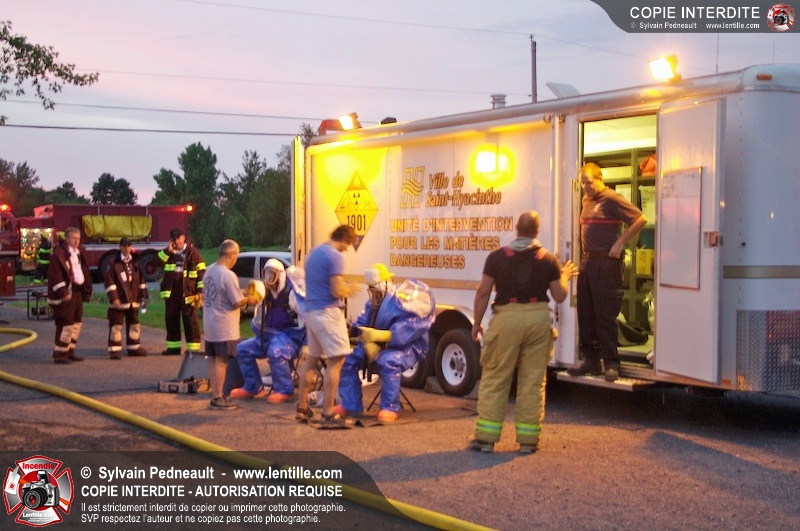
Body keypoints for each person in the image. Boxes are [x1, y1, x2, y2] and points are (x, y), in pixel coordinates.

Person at [469, 211, 577, 453]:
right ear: (536, 232)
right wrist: (564, 275)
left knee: (496, 377)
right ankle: (528, 441)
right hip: (538, 319)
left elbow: (483, 292)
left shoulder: (496, 257)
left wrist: (476, 324)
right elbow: (559, 296)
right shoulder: (548, 259)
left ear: (516, 229)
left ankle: (486, 439)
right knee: (532, 381)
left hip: (506, 319)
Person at [568, 162, 647, 382]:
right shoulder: (586, 199)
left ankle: (611, 364)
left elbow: (641, 219)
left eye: (589, 183)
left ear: (600, 178)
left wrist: (620, 243)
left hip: (606, 263)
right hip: (588, 261)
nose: (585, 187)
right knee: (585, 313)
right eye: (583, 183)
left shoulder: (612, 199)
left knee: (605, 315)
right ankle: (591, 361)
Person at [335, 263, 435, 424]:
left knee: (389, 360)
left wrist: (384, 339)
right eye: (371, 291)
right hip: (378, 345)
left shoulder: (402, 302)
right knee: (347, 359)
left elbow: (410, 328)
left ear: (385, 285)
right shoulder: (371, 304)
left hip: (405, 347)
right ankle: (350, 404)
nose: (373, 295)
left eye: (376, 291)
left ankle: (390, 407)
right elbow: (363, 323)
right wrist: (353, 330)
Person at [295, 224, 360, 428]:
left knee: (312, 359)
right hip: (328, 313)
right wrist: (350, 289)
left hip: (311, 312)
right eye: (348, 245)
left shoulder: (314, 253)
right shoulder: (335, 256)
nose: (346, 249)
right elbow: (336, 290)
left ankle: (302, 406)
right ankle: (328, 412)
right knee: (336, 360)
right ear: (345, 239)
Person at [230, 259, 306, 403]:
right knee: (242, 349)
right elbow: (258, 321)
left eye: (272, 275)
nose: (269, 279)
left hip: (291, 339)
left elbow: (307, 319)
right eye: (266, 274)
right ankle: (253, 387)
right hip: (269, 337)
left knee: (276, 351)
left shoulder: (291, 294)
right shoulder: (267, 295)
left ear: (280, 275)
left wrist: (307, 344)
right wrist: (257, 299)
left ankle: (284, 390)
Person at [202, 239, 259, 410]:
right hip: (224, 326)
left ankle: (214, 394)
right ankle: (218, 397)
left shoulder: (209, 271)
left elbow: (221, 294)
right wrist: (250, 299)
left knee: (214, 361)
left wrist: (242, 292)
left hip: (210, 325)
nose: (236, 260)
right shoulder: (228, 275)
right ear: (231, 254)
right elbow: (236, 302)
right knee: (222, 361)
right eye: (236, 256)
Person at [47, 227, 93, 364]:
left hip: (77, 293)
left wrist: (86, 291)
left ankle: (70, 351)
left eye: (78, 238)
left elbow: (83, 272)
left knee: (76, 324)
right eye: (73, 238)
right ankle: (60, 355)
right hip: (66, 295)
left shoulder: (78, 254)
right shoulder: (59, 255)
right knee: (65, 325)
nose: (76, 241)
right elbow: (55, 276)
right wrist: (64, 293)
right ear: (66, 238)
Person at [158, 228, 205, 356]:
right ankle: (173, 348)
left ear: (183, 238)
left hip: (188, 293)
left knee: (190, 321)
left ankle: (193, 349)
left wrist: (200, 291)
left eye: (178, 238)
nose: (176, 241)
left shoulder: (192, 253)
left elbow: (201, 273)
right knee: (171, 320)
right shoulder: (168, 253)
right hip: (172, 293)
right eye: (174, 239)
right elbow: (155, 263)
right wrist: (167, 251)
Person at [103, 237, 148, 359]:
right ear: (120, 247)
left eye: (129, 246)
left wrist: (143, 296)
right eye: (124, 246)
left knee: (134, 324)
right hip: (120, 300)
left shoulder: (135, 262)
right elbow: (109, 282)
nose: (127, 249)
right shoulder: (114, 262)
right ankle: (115, 350)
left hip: (133, 300)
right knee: (116, 326)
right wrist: (114, 298)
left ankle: (133, 348)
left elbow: (141, 281)